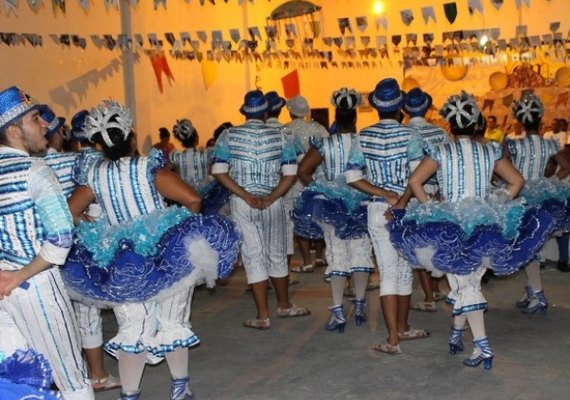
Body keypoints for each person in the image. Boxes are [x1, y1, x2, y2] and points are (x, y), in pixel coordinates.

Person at [61, 100, 239, 400]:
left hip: (120, 260)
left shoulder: (94, 175)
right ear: (130, 137)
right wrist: (179, 225)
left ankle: (130, 393)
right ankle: (180, 387)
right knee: (173, 319)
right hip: (165, 253)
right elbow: (194, 200)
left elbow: (69, 213)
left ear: (100, 146)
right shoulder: (147, 168)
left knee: (132, 325)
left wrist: (97, 226)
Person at [390, 91, 548, 370]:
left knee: (465, 285)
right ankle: (456, 333)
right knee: (467, 283)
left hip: (448, 226)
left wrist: (430, 208)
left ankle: (483, 346)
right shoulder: (490, 149)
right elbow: (517, 181)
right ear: (475, 121)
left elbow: (415, 181)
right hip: (486, 225)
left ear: (449, 124)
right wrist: (496, 201)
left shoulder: (440, 150)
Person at [0, 86, 94, 399]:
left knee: (18, 379)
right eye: (35, 118)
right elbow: (62, 237)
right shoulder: (35, 171)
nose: (45, 125)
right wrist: (19, 275)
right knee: (71, 378)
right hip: (35, 286)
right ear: (14, 130)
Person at [212, 90, 310, 330]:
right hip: (273, 201)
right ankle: (284, 305)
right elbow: (290, 173)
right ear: (266, 111)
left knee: (253, 256)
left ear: (245, 112)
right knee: (276, 253)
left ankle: (262, 315)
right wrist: (271, 197)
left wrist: (245, 194)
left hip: (242, 202)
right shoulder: (280, 135)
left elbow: (218, 170)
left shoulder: (228, 135)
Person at [346, 78, 430, 355]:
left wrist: (383, 193)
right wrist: (401, 200)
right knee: (405, 270)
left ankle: (395, 335)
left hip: (377, 209)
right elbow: (418, 176)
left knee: (389, 272)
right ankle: (399, 332)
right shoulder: (412, 137)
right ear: (400, 109)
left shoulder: (364, 136)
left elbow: (353, 177)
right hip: (407, 209)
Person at [42, 108, 121, 393]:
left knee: (53, 316)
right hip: (80, 246)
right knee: (87, 313)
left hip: (43, 253)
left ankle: (54, 378)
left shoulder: (32, 165)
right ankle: (97, 374)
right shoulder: (80, 162)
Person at [295, 88, 373, 333]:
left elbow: (303, 171)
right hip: (362, 202)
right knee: (361, 252)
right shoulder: (365, 141)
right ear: (355, 117)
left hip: (331, 206)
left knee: (337, 254)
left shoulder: (324, 144)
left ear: (336, 117)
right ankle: (359, 306)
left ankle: (338, 310)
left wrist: (322, 190)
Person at [506, 93, 570, 313]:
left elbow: (503, 168)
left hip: (521, 198)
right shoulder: (549, 144)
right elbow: (567, 166)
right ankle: (532, 290)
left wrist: (505, 186)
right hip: (542, 199)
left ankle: (539, 294)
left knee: (526, 247)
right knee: (531, 246)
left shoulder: (514, 145)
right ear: (541, 121)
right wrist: (550, 182)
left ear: (521, 122)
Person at [404, 88, 451, 312]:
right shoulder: (440, 133)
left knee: (419, 246)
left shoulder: (403, 133)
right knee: (436, 244)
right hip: (438, 194)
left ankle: (429, 296)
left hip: (413, 195)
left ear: (404, 109)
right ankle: (437, 289)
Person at [285, 95, 329, 272]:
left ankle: (307, 260)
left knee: (299, 221)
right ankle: (319, 256)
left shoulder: (286, 130)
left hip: (294, 181)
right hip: (316, 178)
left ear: (290, 111)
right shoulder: (318, 128)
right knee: (318, 217)